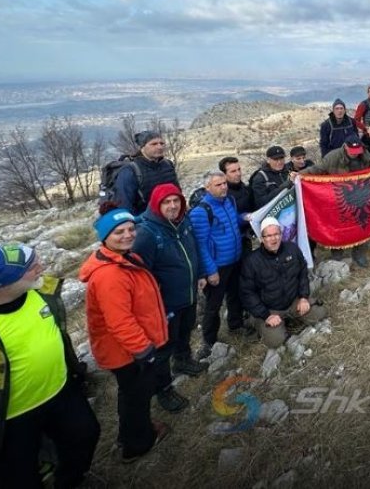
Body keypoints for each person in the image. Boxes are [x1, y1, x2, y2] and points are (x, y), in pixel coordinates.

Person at [0, 244, 99, 487]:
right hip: (13, 416)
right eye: (31, 267)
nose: (42, 267)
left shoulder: (42, 294)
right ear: (3, 283)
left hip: (61, 390)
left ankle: (69, 481)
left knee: (86, 435)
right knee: (19, 476)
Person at [79, 208, 170, 463]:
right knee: (137, 395)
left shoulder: (122, 258)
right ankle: (137, 445)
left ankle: (130, 432)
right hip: (127, 352)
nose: (127, 235)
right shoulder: (110, 275)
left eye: (131, 229)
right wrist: (144, 350)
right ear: (105, 237)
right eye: (119, 232)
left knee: (131, 394)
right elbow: (120, 322)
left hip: (128, 348)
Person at [132, 183, 208, 386]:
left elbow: (193, 249)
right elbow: (141, 275)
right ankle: (163, 388)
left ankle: (183, 361)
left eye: (176, 201)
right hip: (166, 304)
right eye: (167, 202)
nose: (173, 206)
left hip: (188, 294)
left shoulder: (183, 222)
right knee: (164, 346)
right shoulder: (146, 234)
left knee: (185, 331)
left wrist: (200, 273)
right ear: (157, 204)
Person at [189, 171, 251, 359]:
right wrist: (210, 270)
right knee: (213, 305)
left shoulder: (229, 201)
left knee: (235, 295)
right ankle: (209, 342)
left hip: (235, 260)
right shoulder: (201, 211)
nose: (223, 187)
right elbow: (200, 245)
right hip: (217, 266)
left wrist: (245, 217)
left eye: (224, 183)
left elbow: (232, 222)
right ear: (207, 188)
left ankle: (236, 325)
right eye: (218, 185)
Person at [240, 219, 328, 349]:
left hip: (293, 301)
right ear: (262, 239)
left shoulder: (292, 249)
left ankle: (291, 316)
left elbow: (302, 272)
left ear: (281, 234)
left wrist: (303, 297)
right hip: (270, 309)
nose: (273, 239)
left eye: (276, 234)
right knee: (276, 341)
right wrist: (266, 315)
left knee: (320, 313)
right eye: (268, 236)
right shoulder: (251, 261)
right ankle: (256, 321)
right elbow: (247, 293)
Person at [301, 134, 370, 267]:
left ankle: (359, 252)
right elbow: (317, 169)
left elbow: (369, 163)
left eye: (357, 152)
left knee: (362, 223)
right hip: (339, 197)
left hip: (360, 195)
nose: (355, 154)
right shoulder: (332, 157)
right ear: (345, 147)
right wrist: (300, 174)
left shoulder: (364, 153)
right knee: (338, 224)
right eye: (352, 152)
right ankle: (337, 252)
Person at [113, 130, 179, 215]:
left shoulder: (168, 165)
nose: (159, 147)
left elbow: (177, 192)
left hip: (171, 218)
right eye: (154, 144)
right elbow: (125, 205)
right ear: (142, 148)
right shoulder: (131, 170)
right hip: (145, 223)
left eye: (161, 143)